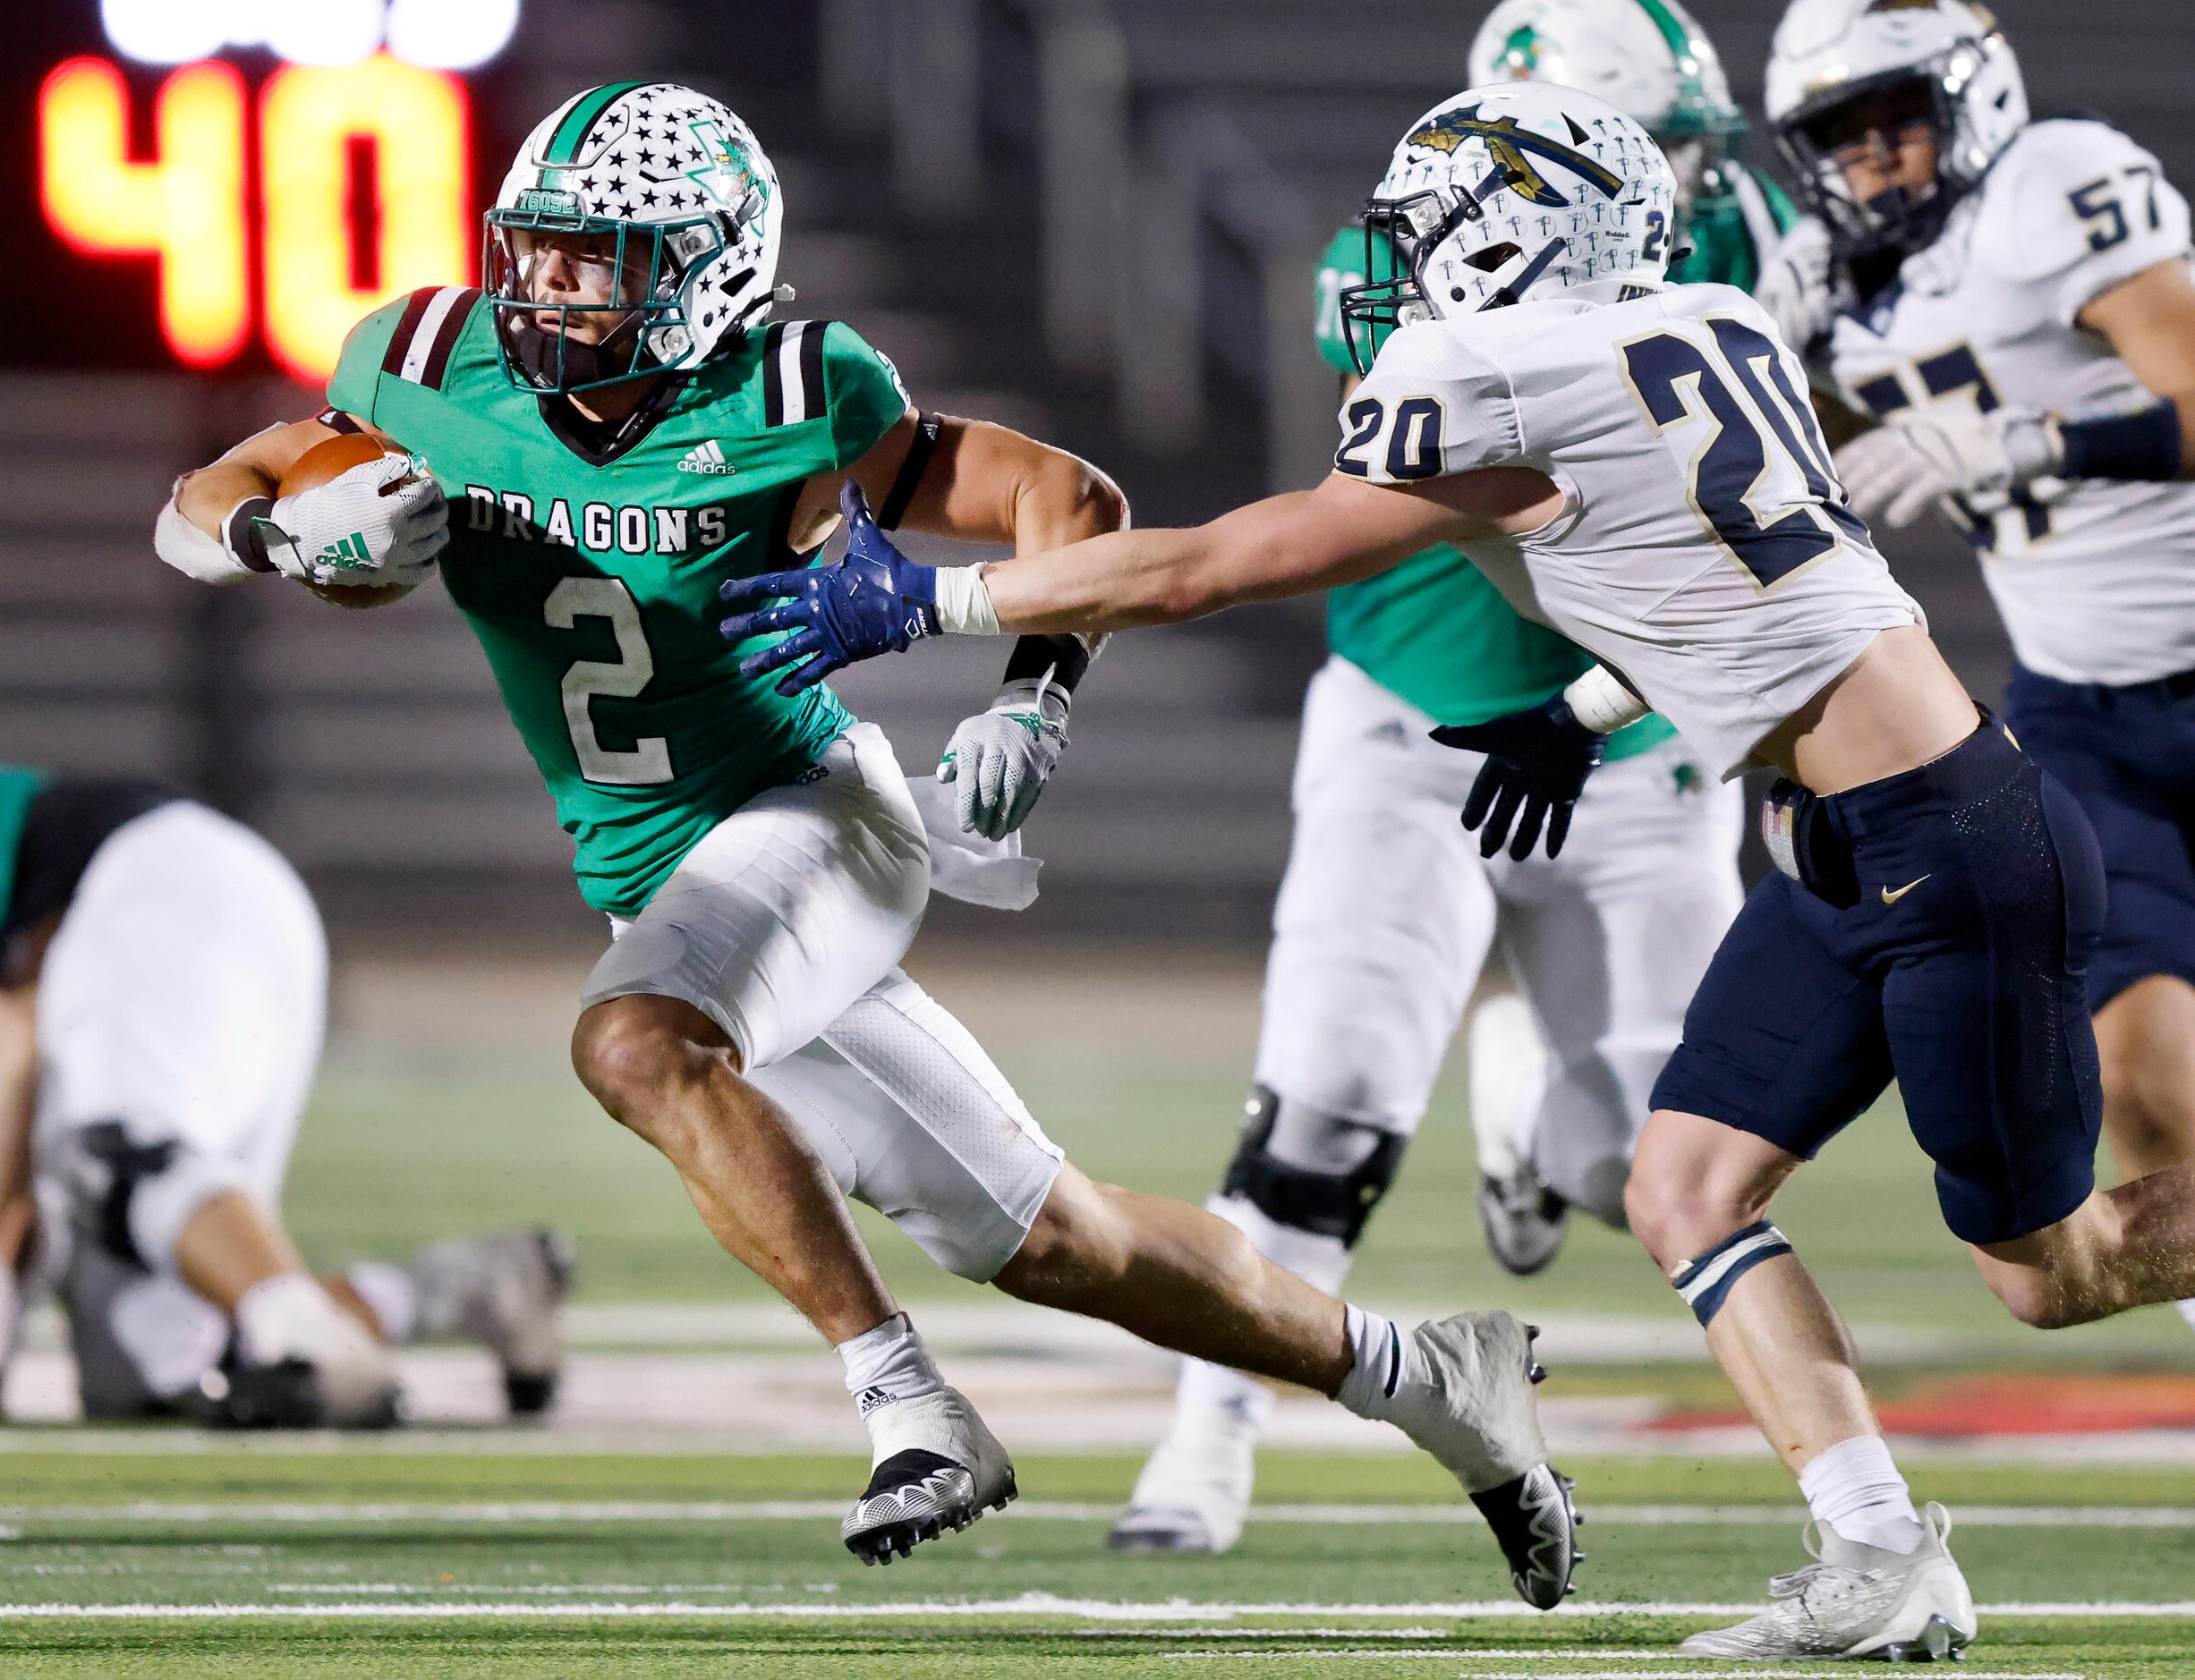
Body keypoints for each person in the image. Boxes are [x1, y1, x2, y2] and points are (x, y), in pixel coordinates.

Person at [724, 76, 2195, 1660]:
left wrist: (938, 608)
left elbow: (1220, 563)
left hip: (1948, 847)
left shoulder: (1485, 368)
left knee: (2054, 1272)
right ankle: (1880, 1549)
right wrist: (1579, 709)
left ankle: (1888, 1539)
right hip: (1860, 828)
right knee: (1683, 1184)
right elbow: (1757, 586)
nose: (1392, 267)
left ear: (1510, 239)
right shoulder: (1712, 318)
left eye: (1425, 230)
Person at [149, 82, 1579, 1595]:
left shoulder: (788, 390)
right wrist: (280, 532)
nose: (549, 290)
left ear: (707, 266)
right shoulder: (427, 362)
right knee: (1058, 1239)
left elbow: (1062, 494)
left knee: (635, 1043)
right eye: (539, 250)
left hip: (813, 819)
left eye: (597, 259)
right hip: (665, 875)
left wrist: (1037, 692)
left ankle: (908, 1404)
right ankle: (1436, 1378)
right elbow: (199, 501)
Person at [1108, 0, 1780, 1558]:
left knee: (1660, 1164)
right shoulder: (1414, 260)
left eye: (1675, 152)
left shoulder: (1743, 244)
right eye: (1640, 153)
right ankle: (1207, 1434)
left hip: (1636, 739)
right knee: (1327, 1095)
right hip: (1416, 724)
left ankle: (1536, 1114)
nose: (1676, 191)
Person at [1759, 0, 2195, 1344]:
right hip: (2087, 700)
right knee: (2139, 1075)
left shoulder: (2048, 185)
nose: (1876, 155)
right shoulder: (1824, 283)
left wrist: (2033, 440)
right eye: (1843, 132)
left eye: (1899, 117)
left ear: (1973, 99)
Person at [0, 754, 567, 1427]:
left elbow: (3, 1037)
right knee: (157, 1373)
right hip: (151, 945)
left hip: (165, 886)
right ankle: (458, 1289)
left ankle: (304, 1331)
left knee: (111, 1147)